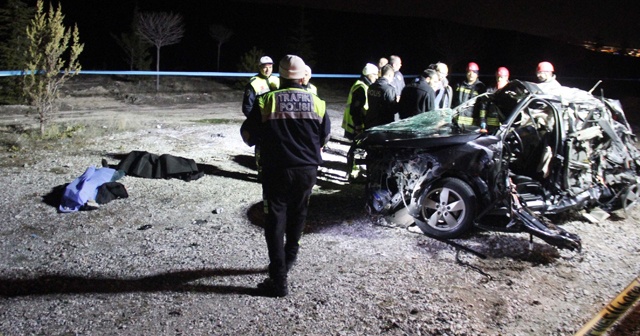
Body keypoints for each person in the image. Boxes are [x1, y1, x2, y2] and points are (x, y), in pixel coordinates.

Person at [241, 55, 331, 297]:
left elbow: (247, 134)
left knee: (275, 219)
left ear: (280, 75)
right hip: (307, 171)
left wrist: (264, 140)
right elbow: (325, 136)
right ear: (303, 77)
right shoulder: (317, 102)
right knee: (299, 212)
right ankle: (290, 259)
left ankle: (278, 278)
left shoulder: (266, 100)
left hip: (276, 170)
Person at [342, 63, 378, 140]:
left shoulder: (362, 84)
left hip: (355, 124)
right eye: (375, 74)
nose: (377, 77)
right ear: (368, 74)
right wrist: (358, 126)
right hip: (356, 125)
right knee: (357, 149)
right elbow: (356, 109)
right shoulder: (360, 88)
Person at [365, 64, 398, 129]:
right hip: (383, 123)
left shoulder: (371, 86)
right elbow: (393, 109)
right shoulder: (389, 89)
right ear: (390, 75)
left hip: (370, 120)